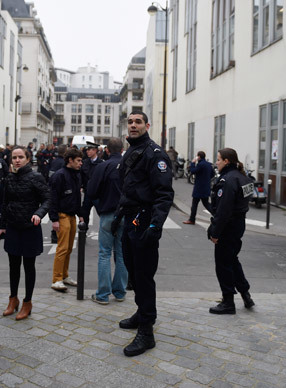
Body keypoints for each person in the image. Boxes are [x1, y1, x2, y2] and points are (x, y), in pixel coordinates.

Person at [116, 111, 174, 357]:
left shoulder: (155, 154)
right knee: (134, 273)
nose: (133, 125)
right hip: (130, 219)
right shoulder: (131, 150)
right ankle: (141, 312)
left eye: (138, 122)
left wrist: (155, 225)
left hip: (145, 221)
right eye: (130, 122)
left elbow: (164, 194)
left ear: (147, 125)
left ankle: (147, 330)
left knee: (144, 276)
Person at [0, 146, 50, 320]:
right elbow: (5, 203)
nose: (17, 160)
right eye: (14, 157)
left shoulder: (36, 177)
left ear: (28, 159)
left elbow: (48, 199)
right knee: (13, 266)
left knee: (28, 267)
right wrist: (2, 226)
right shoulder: (10, 178)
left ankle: (27, 302)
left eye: (20, 157)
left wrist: (39, 214)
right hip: (13, 227)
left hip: (30, 228)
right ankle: (13, 300)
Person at [207, 148, 255, 315]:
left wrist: (215, 232)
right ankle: (245, 294)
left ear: (227, 161)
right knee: (232, 260)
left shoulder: (227, 180)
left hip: (228, 226)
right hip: (238, 224)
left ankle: (228, 301)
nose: (217, 162)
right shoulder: (243, 178)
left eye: (219, 159)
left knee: (223, 264)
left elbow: (223, 210)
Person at [87, 138, 127, 305]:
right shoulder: (128, 166)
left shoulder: (102, 166)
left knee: (104, 253)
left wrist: (101, 201)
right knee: (122, 253)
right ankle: (119, 291)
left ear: (107, 150)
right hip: (126, 213)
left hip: (109, 212)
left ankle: (103, 294)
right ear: (123, 149)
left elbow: (91, 191)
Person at [48, 147, 85, 291]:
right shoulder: (59, 176)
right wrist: (54, 219)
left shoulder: (76, 174)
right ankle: (56, 279)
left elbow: (76, 197)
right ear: (70, 160)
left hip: (71, 216)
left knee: (68, 248)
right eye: (78, 160)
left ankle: (64, 275)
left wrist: (80, 213)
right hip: (62, 215)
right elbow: (53, 198)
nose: (81, 163)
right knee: (62, 248)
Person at [183, 151, 214, 225]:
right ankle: (216, 215)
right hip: (206, 186)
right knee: (206, 203)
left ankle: (192, 219)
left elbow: (193, 171)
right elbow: (212, 174)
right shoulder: (209, 164)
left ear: (199, 157)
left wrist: (193, 162)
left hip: (199, 187)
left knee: (194, 204)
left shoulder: (200, 164)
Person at [80, 142, 103, 224]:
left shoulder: (101, 163)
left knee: (102, 214)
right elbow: (81, 176)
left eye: (90, 150)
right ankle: (83, 232)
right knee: (84, 214)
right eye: (87, 150)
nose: (87, 151)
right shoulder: (85, 163)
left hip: (98, 194)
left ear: (95, 150)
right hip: (87, 193)